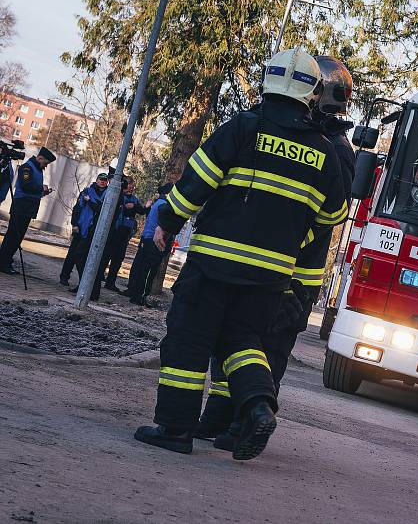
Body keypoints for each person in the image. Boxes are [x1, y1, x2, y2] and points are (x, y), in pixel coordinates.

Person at [134, 47, 348, 460]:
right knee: (243, 342)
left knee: (189, 340)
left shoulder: (243, 129)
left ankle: (175, 429)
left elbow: (196, 182)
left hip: (214, 263)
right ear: (311, 93)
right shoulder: (324, 151)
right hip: (270, 277)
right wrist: (291, 241)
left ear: (269, 83)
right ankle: (258, 407)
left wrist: (168, 223)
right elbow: (332, 215)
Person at [196, 55, 356, 445]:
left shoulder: (331, 149)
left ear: (319, 96)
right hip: (282, 268)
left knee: (266, 350)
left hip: (290, 274)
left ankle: (248, 426)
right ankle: (220, 418)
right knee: (238, 345)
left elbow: (324, 218)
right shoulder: (322, 143)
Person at [0, 147, 56, 274]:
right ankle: (3, 262)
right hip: (21, 206)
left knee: (17, 237)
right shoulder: (27, 167)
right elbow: (26, 185)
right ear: (40, 158)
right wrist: (40, 188)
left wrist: (43, 191)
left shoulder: (37, 168)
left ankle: (6, 261)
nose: (45, 166)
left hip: (28, 208)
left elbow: (33, 189)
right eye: (45, 163)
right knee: (13, 236)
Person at [99, 175, 150, 292]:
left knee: (118, 258)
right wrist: (126, 207)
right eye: (130, 187)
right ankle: (99, 275)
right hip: (116, 230)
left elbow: (140, 210)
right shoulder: (118, 196)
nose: (131, 190)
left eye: (133, 188)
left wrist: (144, 206)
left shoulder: (134, 199)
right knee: (107, 255)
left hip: (126, 232)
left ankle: (110, 281)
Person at [124, 183, 172, 306]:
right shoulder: (164, 206)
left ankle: (136, 294)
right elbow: (165, 226)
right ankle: (141, 296)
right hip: (154, 241)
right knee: (149, 271)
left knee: (142, 268)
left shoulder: (158, 204)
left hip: (148, 239)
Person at [59, 173, 109, 286]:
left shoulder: (108, 195)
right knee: (72, 253)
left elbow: (100, 209)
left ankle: (82, 282)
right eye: (101, 179)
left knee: (83, 256)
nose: (102, 182)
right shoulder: (86, 192)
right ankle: (64, 276)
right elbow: (77, 209)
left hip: (92, 230)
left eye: (105, 180)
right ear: (96, 180)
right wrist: (75, 224)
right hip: (81, 227)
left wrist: (90, 202)